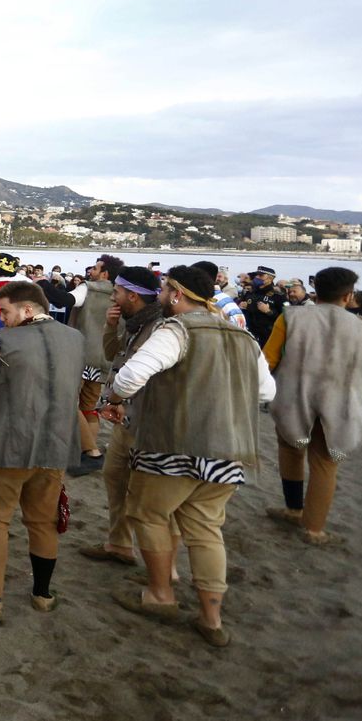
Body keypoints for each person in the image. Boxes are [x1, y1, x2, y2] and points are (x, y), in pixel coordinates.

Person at [105, 264, 274, 648]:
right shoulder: (242, 336)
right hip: (228, 451)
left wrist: (114, 399)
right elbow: (267, 393)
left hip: (172, 446)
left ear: (177, 293)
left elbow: (130, 377)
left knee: (147, 514)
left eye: (165, 290)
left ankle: (160, 595)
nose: (161, 296)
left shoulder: (177, 330)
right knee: (206, 530)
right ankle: (211, 619)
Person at [0, 281, 84, 624]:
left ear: (27, 310)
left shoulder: (2, 342)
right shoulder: (74, 339)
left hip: (9, 445)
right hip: (56, 445)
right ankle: (42, 594)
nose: (3, 319)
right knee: (43, 521)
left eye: (6, 312)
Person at [263, 266, 362, 545]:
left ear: (316, 290)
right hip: (340, 405)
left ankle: (294, 509)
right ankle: (314, 529)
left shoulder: (290, 318)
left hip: (294, 399)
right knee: (325, 464)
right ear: (348, 296)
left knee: (291, 450)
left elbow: (268, 360)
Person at [80, 266, 167, 567]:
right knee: (114, 476)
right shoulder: (132, 322)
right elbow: (111, 354)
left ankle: (159, 569)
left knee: (143, 491)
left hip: (144, 417)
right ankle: (119, 544)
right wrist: (109, 326)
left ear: (132, 295)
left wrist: (121, 399)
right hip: (125, 415)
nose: (112, 296)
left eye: (117, 291)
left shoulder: (159, 326)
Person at [69, 255, 123, 475]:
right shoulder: (120, 295)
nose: (91, 270)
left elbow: (67, 300)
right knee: (89, 406)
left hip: (83, 355)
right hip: (104, 358)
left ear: (105, 273)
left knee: (69, 403)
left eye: (96, 268)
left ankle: (90, 450)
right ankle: (88, 453)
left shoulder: (88, 289)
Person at [242, 266, 285, 344]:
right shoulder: (250, 293)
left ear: (270, 279)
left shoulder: (278, 295)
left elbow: (284, 317)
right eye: (257, 275)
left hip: (268, 335)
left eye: (261, 275)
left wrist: (269, 311)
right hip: (250, 333)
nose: (257, 277)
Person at [199, 264, 247, 329]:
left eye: (219, 277)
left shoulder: (231, 290)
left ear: (226, 279)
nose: (217, 279)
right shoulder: (217, 292)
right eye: (216, 277)